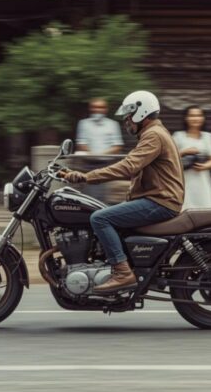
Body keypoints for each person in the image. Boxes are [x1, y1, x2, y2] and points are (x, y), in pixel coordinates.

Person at [61, 91, 184, 294]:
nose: (126, 120)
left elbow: (128, 167)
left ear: (141, 113)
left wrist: (86, 176)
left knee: (99, 219)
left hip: (160, 202)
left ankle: (122, 272)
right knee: (105, 213)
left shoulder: (153, 135)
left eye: (129, 115)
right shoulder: (153, 133)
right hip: (158, 199)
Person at [75, 98, 124, 201]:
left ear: (105, 109)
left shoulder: (113, 124)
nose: (98, 109)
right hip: (88, 164)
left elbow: (117, 146)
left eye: (101, 107)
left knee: (103, 194)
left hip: (106, 165)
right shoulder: (83, 124)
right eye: (95, 107)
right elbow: (81, 143)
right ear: (91, 108)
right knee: (89, 194)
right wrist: (93, 154)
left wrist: (100, 154)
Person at [172, 106, 211, 209]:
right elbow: (169, 157)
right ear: (186, 118)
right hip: (183, 181)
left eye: (198, 115)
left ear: (203, 118)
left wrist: (204, 166)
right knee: (184, 209)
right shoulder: (178, 136)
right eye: (192, 115)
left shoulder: (208, 137)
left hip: (202, 180)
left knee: (205, 209)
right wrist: (184, 152)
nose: (195, 118)